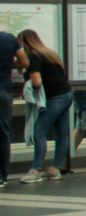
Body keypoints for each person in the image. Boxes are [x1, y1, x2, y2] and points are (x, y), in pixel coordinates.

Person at [19, 29, 72, 181]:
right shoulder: (49, 53)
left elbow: (36, 82)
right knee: (61, 134)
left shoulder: (33, 56)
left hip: (55, 97)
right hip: (66, 94)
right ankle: (55, 169)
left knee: (38, 133)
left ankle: (35, 171)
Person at [0, 23, 16, 189]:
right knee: (3, 134)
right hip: (3, 90)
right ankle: (2, 176)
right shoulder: (9, 38)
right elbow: (24, 61)